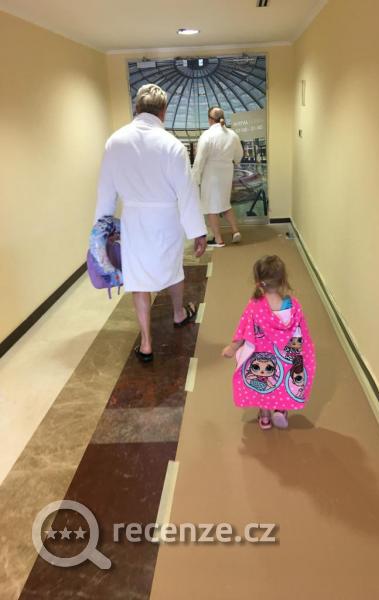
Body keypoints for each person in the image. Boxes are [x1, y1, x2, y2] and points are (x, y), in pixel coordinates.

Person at [95, 83, 207, 362]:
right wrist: (198, 232)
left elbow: (106, 190)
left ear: (137, 108)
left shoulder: (115, 141)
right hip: (166, 220)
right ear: (163, 111)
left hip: (134, 221)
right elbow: (187, 192)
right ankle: (178, 314)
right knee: (173, 269)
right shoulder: (172, 145)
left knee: (138, 279)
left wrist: (100, 230)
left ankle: (146, 343)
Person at [222, 255, 316, 429]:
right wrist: (301, 355)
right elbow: (301, 332)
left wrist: (233, 347)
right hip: (287, 354)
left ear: (258, 281)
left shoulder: (255, 306)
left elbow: (243, 330)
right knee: (284, 378)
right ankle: (280, 410)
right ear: (283, 280)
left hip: (262, 354)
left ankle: (265, 417)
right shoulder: (293, 306)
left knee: (265, 381)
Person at [192, 107, 244, 248]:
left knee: (211, 207)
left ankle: (218, 240)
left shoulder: (207, 135)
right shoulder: (232, 135)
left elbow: (199, 160)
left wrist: (195, 179)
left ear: (210, 119)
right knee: (225, 204)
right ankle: (235, 231)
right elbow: (239, 156)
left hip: (211, 175)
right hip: (226, 173)